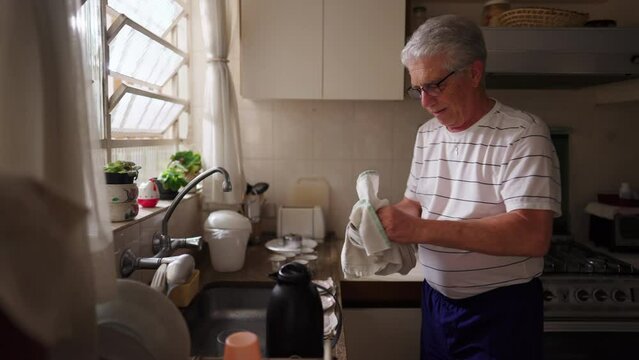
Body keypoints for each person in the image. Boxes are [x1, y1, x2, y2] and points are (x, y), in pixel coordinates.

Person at [377, 14, 561, 360]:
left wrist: (419, 228)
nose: (425, 102)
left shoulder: (523, 133)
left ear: (474, 73)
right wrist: (380, 219)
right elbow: (414, 204)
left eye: (434, 85)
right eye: (417, 89)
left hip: (501, 311)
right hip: (436, 304)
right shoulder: (427, 134)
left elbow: (532, 235)